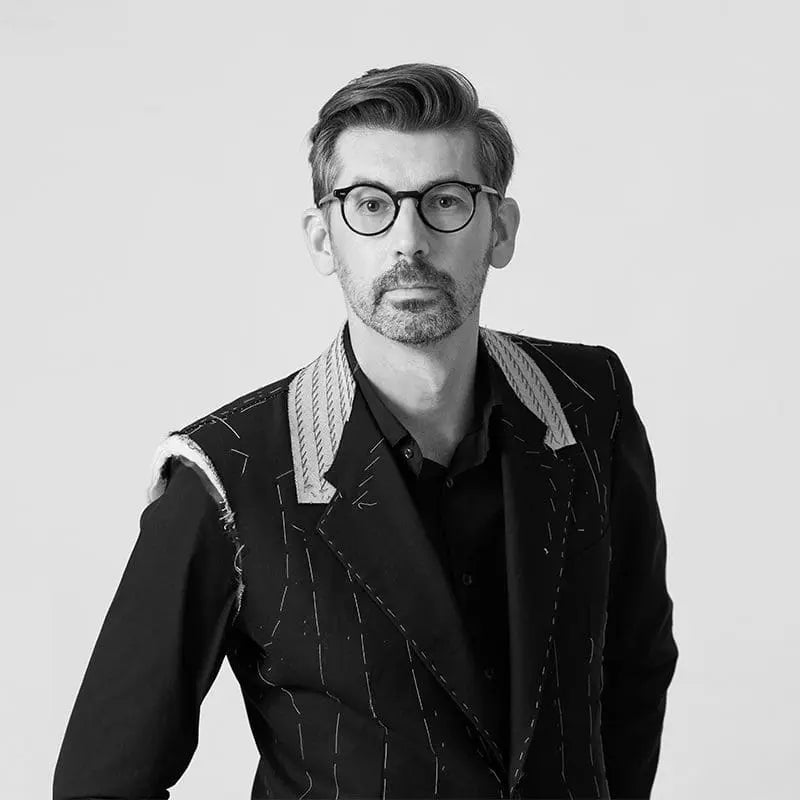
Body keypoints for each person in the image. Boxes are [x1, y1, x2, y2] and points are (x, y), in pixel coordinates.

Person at [53, 63, 678, 800]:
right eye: (371, 205)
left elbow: (636, 665)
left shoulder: (589, 402)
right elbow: (100, 781)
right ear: (324, 239)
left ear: (500, 230)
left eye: (446, 201)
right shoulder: (228, 475)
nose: (409, 240)